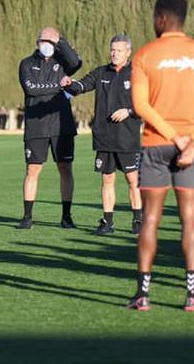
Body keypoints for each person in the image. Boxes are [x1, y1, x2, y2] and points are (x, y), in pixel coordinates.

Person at [126, 0, 194, 312]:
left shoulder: (144, 55)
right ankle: (192, 294)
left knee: (150, 219)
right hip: (191, 150)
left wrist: (172, 137)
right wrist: (192, 141)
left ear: (161, 19)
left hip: (155, 145)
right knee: (190, 221)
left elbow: (141, 106)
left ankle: (142, 294)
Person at [64, 33, 142, 236]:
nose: (114, 54)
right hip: (104, 138)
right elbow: (81, 86)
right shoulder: (101, 72)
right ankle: (108, 222)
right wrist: (68, 83)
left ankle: (138, 220)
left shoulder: (138, 73)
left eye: (119, 50)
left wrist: (129, 111)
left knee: (133, 180)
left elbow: (148, 102)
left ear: (128, 52)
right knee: (107, 180)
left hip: (127, 137)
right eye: (112, 50)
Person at [17, 27, 82, 229]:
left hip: (61, 125)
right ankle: (27, 217)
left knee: (65, 169)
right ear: (37, 42)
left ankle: (66, 216)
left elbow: (76, 62)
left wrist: (61, 40)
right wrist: (60, 86)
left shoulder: (62, 62)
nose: (46, 45)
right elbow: (31, 89)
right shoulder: (27, 64)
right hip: (36, 126)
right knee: (33, 169)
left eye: (50, 41)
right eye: (43, 40)